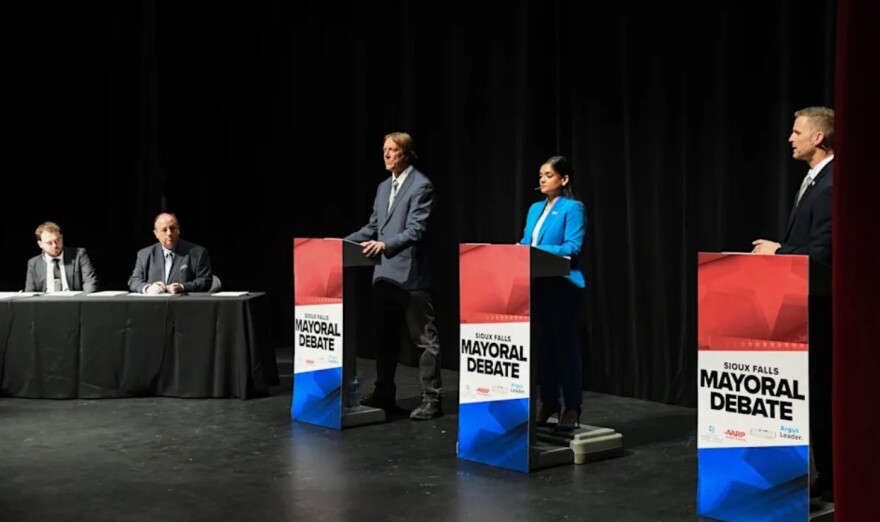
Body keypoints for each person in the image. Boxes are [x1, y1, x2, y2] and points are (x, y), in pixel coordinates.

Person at [751, 106, 834, 501]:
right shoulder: (814, 180)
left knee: (822, 395)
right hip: (801, 302)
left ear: (818, 137)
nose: (790, 138)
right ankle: (825, 475)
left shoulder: (833, 183)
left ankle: (832, 479)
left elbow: (822, 253)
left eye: (797, 131)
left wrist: (778, 251)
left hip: (821, 306)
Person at [345, 132, 443, 420]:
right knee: (383, 339)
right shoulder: (383, 187)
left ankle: (432, 399)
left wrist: (386, 245)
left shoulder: (421, 186)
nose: (386, 155)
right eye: (384, 149)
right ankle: (384, 392)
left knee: (424, 341)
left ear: (407, 153)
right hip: (384, 275)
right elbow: (373, 227)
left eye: (393, 150)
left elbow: (415, 230)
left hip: (411, 276)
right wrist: (339, 244)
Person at [519, 156, 586, 431]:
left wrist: (535, 252)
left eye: (548, 175)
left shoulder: (573, 208)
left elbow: (572, 248)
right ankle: (548, 402)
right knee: (543, 350)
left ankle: (572, 407)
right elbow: (526, 242)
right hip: (536, 287)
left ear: (564, 179)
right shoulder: (535, 208)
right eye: (540, 175)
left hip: (563, 287)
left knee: (565, 349)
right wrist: (518, 250)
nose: (542, 179)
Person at [128, 212, 213, 294]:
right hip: (153, 305)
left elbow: (205, 280)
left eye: (172, 229)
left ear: (178, 230)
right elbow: (134, 280)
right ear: (156, 234)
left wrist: (182, 287)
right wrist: (148, 288)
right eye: (164, 230)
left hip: (184, 304)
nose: (169, 233)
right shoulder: (144, 254)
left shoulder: (197, 253)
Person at [25, 221, 99, 293]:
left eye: (58, 240)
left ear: (62, 237)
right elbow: (30, 292)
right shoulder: (33, 263)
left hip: (73, 302)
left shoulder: (79, 255)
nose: (55, 245)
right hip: (46, 303)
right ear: (40, 244)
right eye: (49, 243)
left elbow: (90, 283)